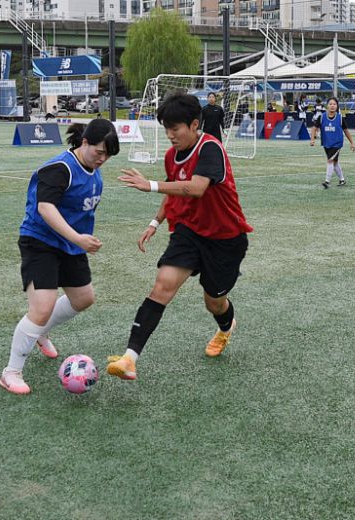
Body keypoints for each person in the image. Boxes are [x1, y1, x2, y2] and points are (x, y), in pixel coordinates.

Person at [108, 93, 253, 381]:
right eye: (166, 129)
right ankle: (129, 359)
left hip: (225, 239)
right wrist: (155, 222)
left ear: (195, 124)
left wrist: (148, 185)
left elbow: (195, 188)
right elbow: (176, 190)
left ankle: (226, 328)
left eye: (175, 129)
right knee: (162, 286)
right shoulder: (171, 156)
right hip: (188, 232)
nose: (170, 135)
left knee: (214, 301)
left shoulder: (211, 148)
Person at [0, 120, 120, 395]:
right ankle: (11, 372)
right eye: (99, 152)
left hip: (70, 246)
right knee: (42, 307)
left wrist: (79, 239)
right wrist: (78, 238)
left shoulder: (93, 171)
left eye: (108, 155)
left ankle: (39, 332)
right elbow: (45, 207)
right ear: (84, 142)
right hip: (40, 242)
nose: (103, 159)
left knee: (83, 298)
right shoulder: (60, 168)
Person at [310, 97, 355, 189]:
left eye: (334, 104)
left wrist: (352, 143)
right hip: (326, 143)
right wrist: (312, 139)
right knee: (334, 162)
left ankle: (327, 181)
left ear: (337, 106)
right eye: (330, 104)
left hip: (337, 143)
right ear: (327, 106)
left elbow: (346, 131)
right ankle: (342, 179)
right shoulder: (322, 117)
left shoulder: (340, 118)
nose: (332, 106)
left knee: (330, 160)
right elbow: (314, 128)